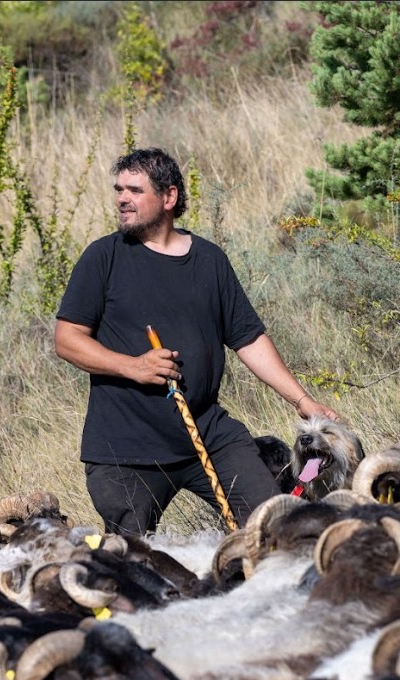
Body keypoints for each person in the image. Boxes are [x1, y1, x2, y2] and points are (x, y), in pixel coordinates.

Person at [54, 147, 344, 536]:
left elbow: (249, 339)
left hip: (208, 433)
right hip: (124, 449)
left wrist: (303, 400)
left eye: (135, 190)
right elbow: (67, 340)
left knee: (273, 527)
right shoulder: (103, 257)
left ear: (169, 197)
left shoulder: (209, 259)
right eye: (119, 189)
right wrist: (133, 366)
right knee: (137, 563)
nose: (122, 198)